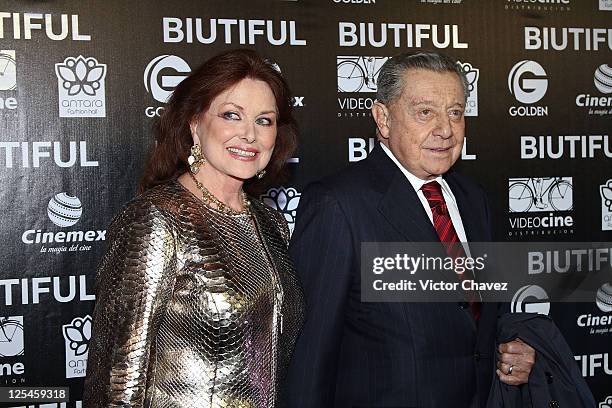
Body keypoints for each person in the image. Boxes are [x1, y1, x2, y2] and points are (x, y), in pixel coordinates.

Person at [285, 51, 534, 407]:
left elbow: (479, 314)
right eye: (425, 113)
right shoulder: (338, 205)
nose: (445, 130)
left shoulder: (474, 199)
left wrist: (511, 348)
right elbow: (308, 360)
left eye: (455, 112)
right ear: (383, 119)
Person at [84, 49, 304, 407]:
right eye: (232, 115)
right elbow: (117, 376)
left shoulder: (270, 222)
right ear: (194, 124)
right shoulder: (156, 219)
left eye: (265, 121)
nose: (250, 134)